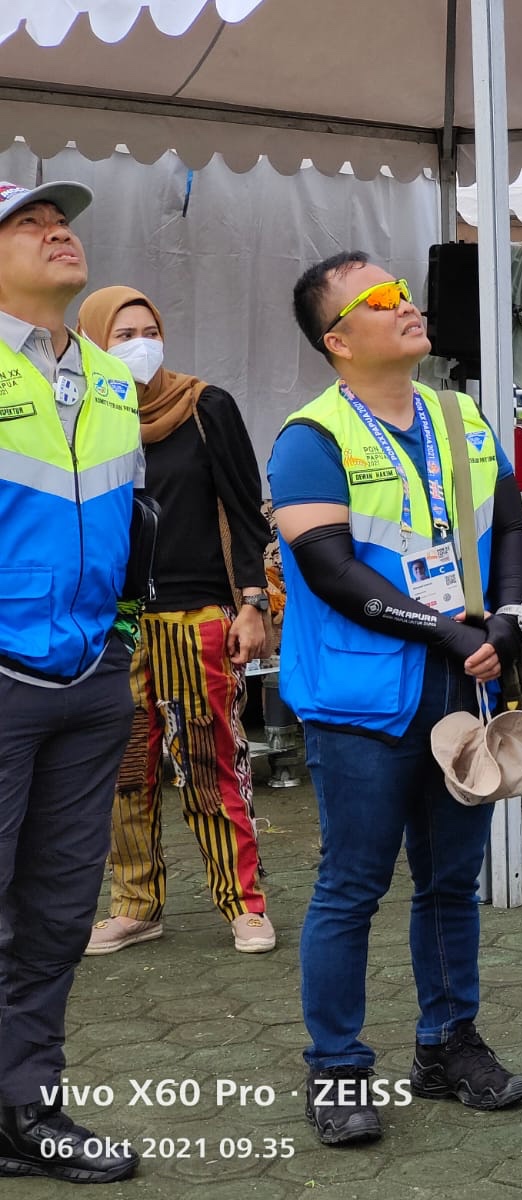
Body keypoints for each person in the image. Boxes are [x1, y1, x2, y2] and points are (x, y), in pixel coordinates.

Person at [269, 252, 522, 1146]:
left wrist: (506, 618)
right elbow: (330, 569)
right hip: (363, 698)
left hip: (461, 683)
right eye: (382, 300)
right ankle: (338, 1069)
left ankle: (447, 1044)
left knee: (451, 882)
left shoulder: (463, 416)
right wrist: (447, 631)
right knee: (352, 885)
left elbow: (508, 528)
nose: (408, 305)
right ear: (338, 340)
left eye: (403, 292)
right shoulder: (310, 437)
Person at [0, 180, 142, 1183]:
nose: (58, 233)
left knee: (56, 912)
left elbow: (130, 524)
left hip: (91, 678)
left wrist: (121, 640)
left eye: (63, 221)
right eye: (28, 224)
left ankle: (25, 1109)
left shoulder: (110, 378)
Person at [76, 287, 277, 957]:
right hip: (116, 625)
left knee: (211, 763)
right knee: (126, 769)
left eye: (149, 330)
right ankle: (135, 905)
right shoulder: (85, 416)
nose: (141, 344)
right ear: (93, 346)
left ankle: (244, 904)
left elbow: (246, 511)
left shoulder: (204, 406)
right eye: (122, 335)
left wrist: (252, 602)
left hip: (198, 617)